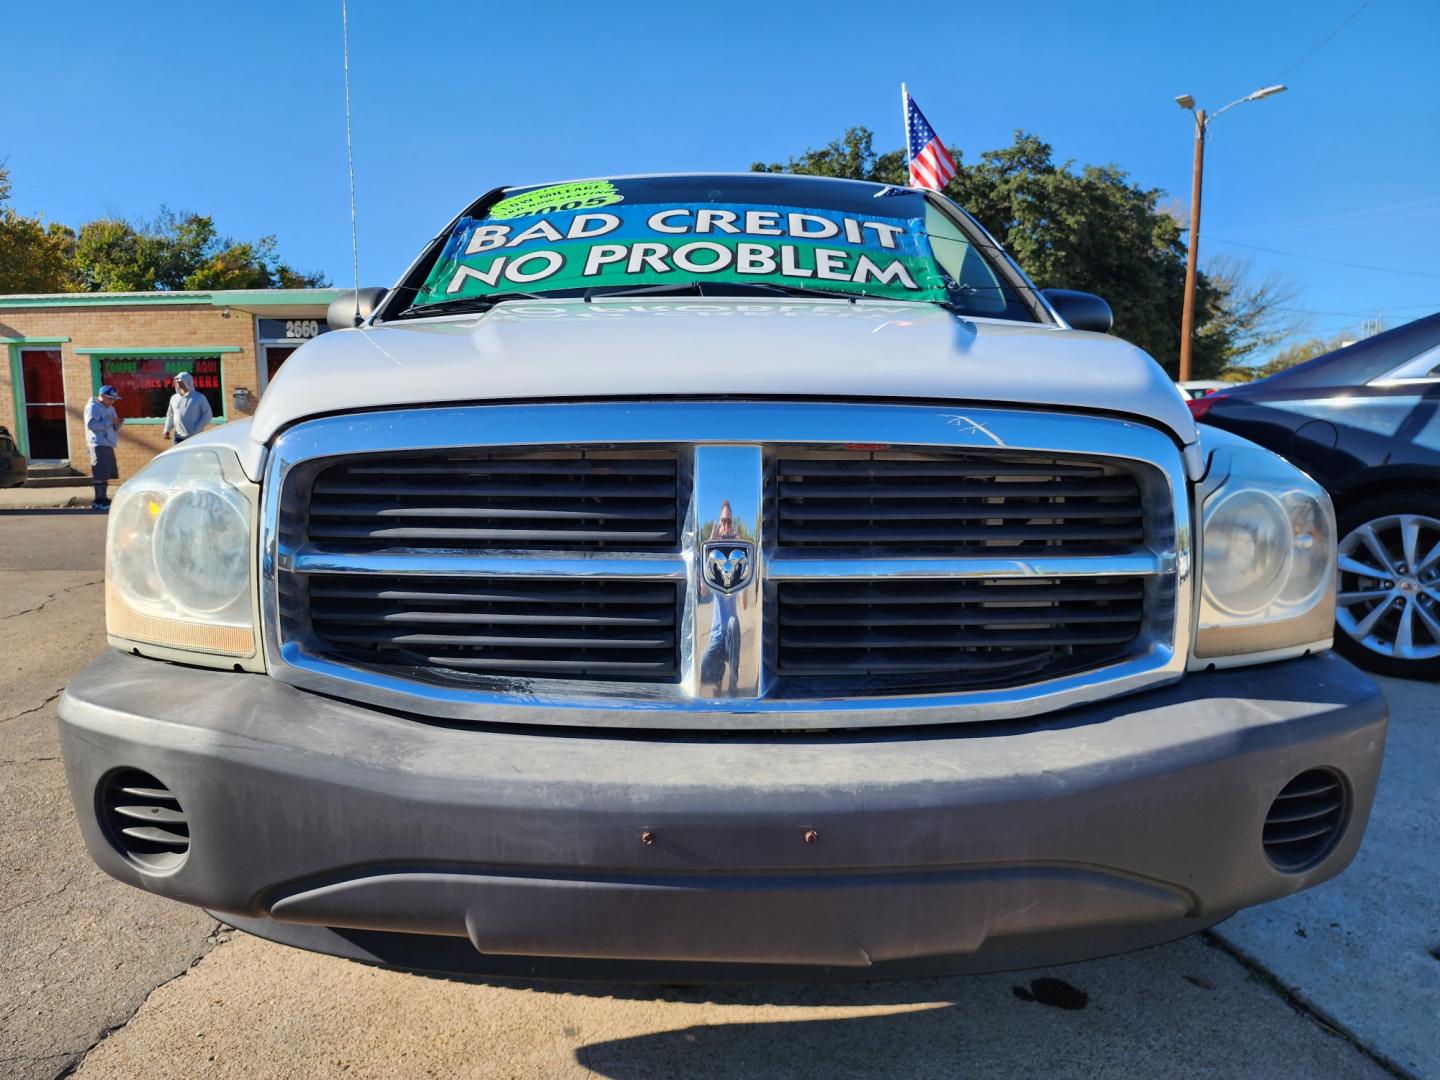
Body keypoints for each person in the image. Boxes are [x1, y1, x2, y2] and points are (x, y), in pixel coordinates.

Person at [83, 386, 122, 511]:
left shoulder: (110, 408)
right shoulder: (92, 407)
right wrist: (109, 422)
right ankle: (98, 500)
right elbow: (91, 425)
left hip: (108, 442)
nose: (112, 402)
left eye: (114, 399)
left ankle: (103, 498)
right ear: (103, 396)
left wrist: (117, 424)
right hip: (98, 443)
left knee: (105, 473)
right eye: (110, 399)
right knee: (99, 472)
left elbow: (112, 424)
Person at [161, 371, 213, 445]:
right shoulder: (174, 398)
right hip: (178, 438)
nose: (178, 383)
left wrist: (197, 427)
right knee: (178, 456)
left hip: (195, 437)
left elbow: (208, 414)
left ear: (188, 381)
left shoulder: (199, 397)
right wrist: (167, 429)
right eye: (176, 381)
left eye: (180, 381)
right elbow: (170, 415)